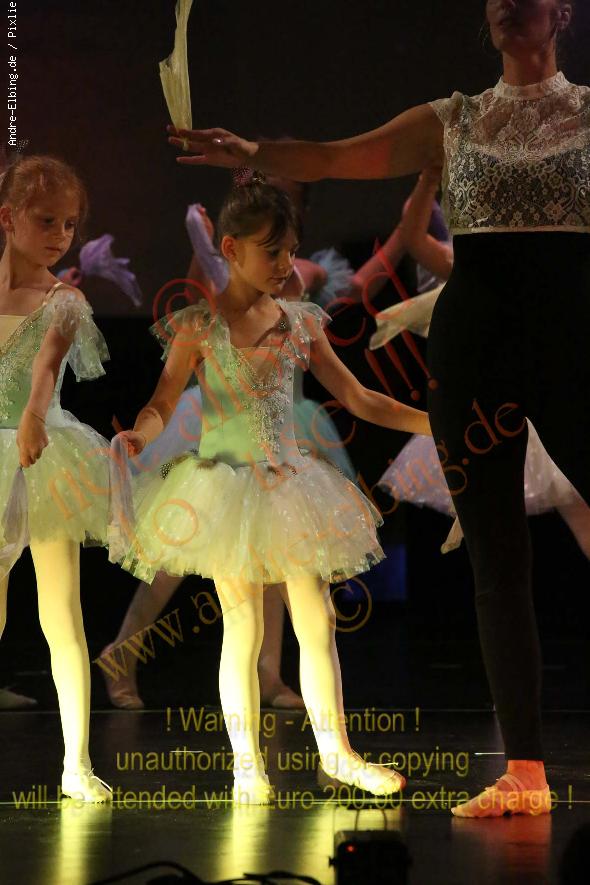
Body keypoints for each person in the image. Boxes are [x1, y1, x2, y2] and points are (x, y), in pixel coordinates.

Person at [167, 0, 587, 817]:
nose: (508, 4)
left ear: (562, 9)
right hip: (475, 351)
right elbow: (332, 157)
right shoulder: (453, 120)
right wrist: (252, 152)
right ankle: (524, 772)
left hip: (571, 341)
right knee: (496, 561)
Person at [112, 177, 430, 803]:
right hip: (226, 488)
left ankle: (337, 754)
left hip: (289, 484)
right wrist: (141, 436)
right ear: (231, 249)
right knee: (243, 627)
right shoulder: (200, 326)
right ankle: (246, 767)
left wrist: (429, 422)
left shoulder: (299, 322)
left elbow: (358, 397)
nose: (285, 263)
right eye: (272, 251)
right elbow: (162, 403)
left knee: (318, 617)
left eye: (291, 251)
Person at [0, 155, 112, 801]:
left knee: (62, 611)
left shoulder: (63, 300)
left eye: (69, 224)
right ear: (8, 218)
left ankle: (77, 763)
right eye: (46, 220)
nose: (60, 235)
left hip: (43, 454)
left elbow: (45, 369)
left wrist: (35, 418)